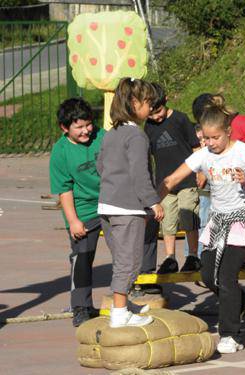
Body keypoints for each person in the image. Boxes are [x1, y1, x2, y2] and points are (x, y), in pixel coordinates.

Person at [158, 95, 245, 354]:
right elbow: (172, 178)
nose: (210, 144)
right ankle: (242, 299)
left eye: (215, 138)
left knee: (226, 276)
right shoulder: (204, 155)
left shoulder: (242, 151)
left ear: (228, 132)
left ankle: (230, 334)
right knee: (206, 274)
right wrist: (154, 201)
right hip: (218, 222)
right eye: (206, 139)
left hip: (242, 220)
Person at [97, 78, 164, 328]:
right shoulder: (137, 136)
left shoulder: (111, 133)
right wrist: (153, 202)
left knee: (121, 259)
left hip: (106, 206)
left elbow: (100, 165)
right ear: (134, 103)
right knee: (130, 261)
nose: (151, 108)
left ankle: (122, 305)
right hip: (127, 209)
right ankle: (120, 312)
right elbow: (140, 173)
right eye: (148, 103)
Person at [49, 98, 104, 327]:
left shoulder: (103, 137)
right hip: (83, 208)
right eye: (79, 127)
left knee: (126, 247)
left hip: (110, 201)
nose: (86, 131)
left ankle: (133, 294)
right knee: (82, 255)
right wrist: (73, 221)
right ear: (65, 128)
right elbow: (64, 190)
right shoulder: (60, 152)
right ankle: (81, 306)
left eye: (88, 124)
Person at [144, 83, 202, 274]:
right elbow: (148, 155)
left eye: (158, 111)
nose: (156, 117)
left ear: (166, 100)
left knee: (188, 215)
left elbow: (195, 147)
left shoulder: (180, 119)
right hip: (164, 184)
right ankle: (170, 258)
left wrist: (201, 171)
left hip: (186, 180)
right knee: (167, 220)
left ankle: (193, 256)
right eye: (151, 114)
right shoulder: (149, 126)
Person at [184, 124, 211, 258]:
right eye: (199, 139)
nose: (202, 142)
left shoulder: (210, 153)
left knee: (207, 228)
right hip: (200, 196)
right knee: (199, 226)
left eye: (204, 139)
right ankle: (197, 258)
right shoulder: (195, 157)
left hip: (211, 197)